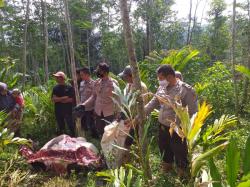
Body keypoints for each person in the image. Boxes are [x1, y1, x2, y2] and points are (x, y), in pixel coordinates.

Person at [144, 65, 198, 177]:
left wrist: (190, 132)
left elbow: (194, 113)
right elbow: (153, 103)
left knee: (180, 153)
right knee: (164, 150)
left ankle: (182, 176)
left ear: (169, 76)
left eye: (160, 78)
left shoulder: (186, 90)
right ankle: (167, 171)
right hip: (163, 126)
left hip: (178, 130)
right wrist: (139, 115)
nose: (159, 81)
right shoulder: (161, 88)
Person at [82, 62, 117, 138]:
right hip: (98, 111)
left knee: (110, 130)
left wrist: (118, 112)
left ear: (104, 72)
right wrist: (83, 105)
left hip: (109, 112)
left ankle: (111, 147)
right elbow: (93, 96)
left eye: (99, 70)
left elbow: (118, 98)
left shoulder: (113, 83)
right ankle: (103, 143)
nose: (97, 72)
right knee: (100, 129)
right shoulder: (97, 82)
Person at [52, 71, 75, 136]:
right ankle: (63, 139)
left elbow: (71, 99)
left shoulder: (69, 87)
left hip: (68, 111)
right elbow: (54, 99)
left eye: (57, 77)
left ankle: (73, 138)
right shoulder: (55, 88)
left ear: (62, 78)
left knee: (70, 126)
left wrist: (58, 99)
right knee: (61, 127)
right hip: (58, 111)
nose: (56, 78)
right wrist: (64, 98)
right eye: (55, 77)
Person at [79, 67, 98, 138]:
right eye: (80, 75)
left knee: (92, 124)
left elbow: (95, 97)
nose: (81, 76)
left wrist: (95, 109)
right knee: (83, 124)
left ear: (87, 74)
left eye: (82, 75)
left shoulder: (94, 83)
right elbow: (81, 95)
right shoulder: (81, 83)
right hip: (82, 107)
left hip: (91, 108)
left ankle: (95, 138)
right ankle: (85, 137)